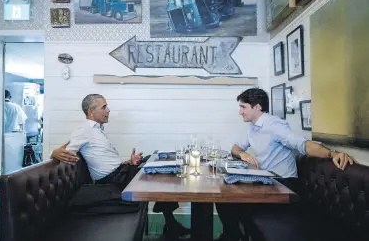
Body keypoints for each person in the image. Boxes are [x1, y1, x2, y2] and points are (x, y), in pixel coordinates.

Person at [215, 88, 354, 241]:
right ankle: (232, 235)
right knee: (223, 196)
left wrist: (332, 153)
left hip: (284, 185)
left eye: (243, 107)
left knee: (229, 199)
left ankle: (232, 236)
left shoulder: (275, 125)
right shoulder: (252, 128)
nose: (240, 112)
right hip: (267, 182)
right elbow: (235, 147)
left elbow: (304, 145)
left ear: (257, 107)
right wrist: (243, 153)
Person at [51, 94, 189, 240]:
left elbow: (106, 162)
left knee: (155, 160)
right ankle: (172, 225)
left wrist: (129, 162)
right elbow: (64, 152)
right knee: (159, 173)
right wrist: (53, 153)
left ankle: (171, 224)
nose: (108, 110)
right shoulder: (84, 130)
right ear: (91, 111)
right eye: (104, 107)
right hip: (113, 181)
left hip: (120, 173)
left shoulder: (97, 130)